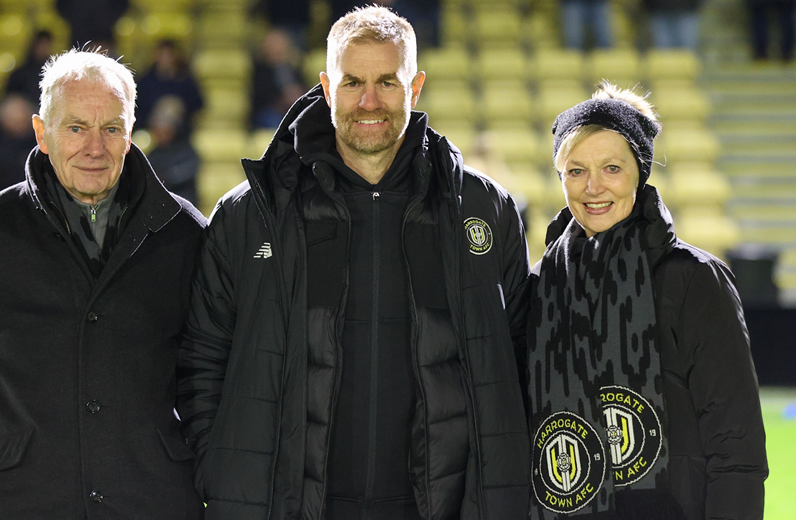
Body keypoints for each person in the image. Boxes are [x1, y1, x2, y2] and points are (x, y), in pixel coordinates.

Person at [178, 6, 531, 519]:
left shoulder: (483, 209)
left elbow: (517, 359)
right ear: (325, 87)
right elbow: (202, 360)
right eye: (352, 82)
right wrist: (225, 470)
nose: (369, 101)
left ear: (416, 87)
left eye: (388, 82)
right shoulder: (251, 213)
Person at [0, 49, 206, 519]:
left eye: (111, 128)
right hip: (15, 502)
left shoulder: (187, 234)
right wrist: (11, 459)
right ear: (42, 133)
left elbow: (204, 379)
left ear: (131, 132)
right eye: (76, 128)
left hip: (150, 499)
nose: (94, 148)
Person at [527, 82, 768, 520]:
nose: (593, 187)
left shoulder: (694, 280)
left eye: (612, 168)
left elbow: (737, 446)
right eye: (575, 171)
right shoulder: (540, 283)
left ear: (640, 171)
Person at [146, 95, 199, 206]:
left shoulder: (187, 152)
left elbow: (184, 175)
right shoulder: (153, 152)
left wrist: (163, 178)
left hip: (183, 205)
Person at [249, 28, 306, 130]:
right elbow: (259, 95)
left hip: (294, 109)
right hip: (270, 111)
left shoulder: (293, 68)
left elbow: (305, 88)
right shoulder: (260, 70)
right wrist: (281, 100)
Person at [0, 94, 39, 195]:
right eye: (15, 122)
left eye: (22, 122)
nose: (19, 127)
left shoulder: (38, 138)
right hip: (0, 190)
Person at [4, 29, 54, 104]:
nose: (44, 48)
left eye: (47, 45)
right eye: (41, 44)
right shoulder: (21, 73)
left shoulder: (54, 73)